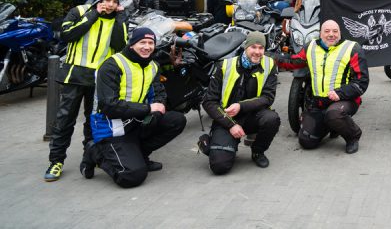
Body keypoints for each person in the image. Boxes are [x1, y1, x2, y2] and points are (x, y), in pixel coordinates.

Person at [82, 27, 187, 188]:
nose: (147, 47)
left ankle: (140, 155)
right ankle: (94, 152)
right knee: (132, 176)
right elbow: (109, 106)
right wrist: (148, 109)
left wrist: (157, 111)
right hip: (111, 126)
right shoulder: (111, 65)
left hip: (135, 120)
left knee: (177, 120)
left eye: (150, 43)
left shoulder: (152, 65)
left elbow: (159, 93)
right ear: (132, 44)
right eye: (142, 42)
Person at [44, 0, 127, 182]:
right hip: (75, 75)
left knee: (93, 121)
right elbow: (67, 34)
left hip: (99, 79)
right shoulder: (80, 11)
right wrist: (93, 15)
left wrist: (121, 18)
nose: (110, 4)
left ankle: (89, 157)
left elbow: (120, 44)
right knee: (65, 120)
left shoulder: (118, 18)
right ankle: (56, 161)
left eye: (115, 1)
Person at [280, 20, 369, 154]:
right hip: (319, 103)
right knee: (306, 141)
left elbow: (361, 82)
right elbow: (294, 62)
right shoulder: (311, 46)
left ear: (340, 33)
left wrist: (340, 93)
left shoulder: (352, 48)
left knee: (334, 114)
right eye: (327, 31)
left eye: (335, 31)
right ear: (320, 34)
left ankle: (353, 136)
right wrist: (270, 58)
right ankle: (330, 126)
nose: (331, 35)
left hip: (344, 100)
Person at [199, 32, 281, 174]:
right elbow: (208, 101)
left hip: (253, 116)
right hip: (226, 118)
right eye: (253, 47)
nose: (257, 52)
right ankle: (210, 143)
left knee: (271, 119)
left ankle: (257, 151)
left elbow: (268, 97)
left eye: (261, 48)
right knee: (219, 166)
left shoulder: (269, 65)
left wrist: (241, 106)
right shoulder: (224, 66)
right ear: (245, 47)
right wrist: (231, 125)